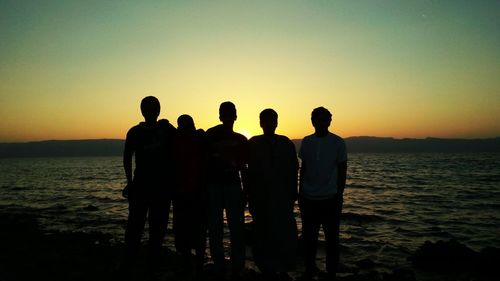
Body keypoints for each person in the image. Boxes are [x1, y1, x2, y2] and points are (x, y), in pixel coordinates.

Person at [121, 96, 176, 270]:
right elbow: (127, 158)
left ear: (158, 111)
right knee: (135, 225)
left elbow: (183, 139)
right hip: (141, 186)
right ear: (142, 111)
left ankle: (153, 262)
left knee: (157, 226)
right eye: (148, 109)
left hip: (162, 187)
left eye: (154, 109)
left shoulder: (167, 129)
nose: (151, 112)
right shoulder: (135, 132)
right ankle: (130, 261)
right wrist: (130, 182)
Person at [246, 109, 299, 281]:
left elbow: (294, 169)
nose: (269, 123)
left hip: (282, 197)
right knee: (261, 232)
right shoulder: (253, 143)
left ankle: (283, 267)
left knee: (283, 232)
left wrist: (293, 192)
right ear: (260, 123)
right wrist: (247, 193)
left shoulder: (286, 143)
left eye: (272, 120)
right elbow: (245, 171)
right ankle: (264, 268)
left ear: (277, 122)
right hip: (259, 197)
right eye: (265, 120)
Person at [298, 106, 347, 280]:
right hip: (308, 198)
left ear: (329, 121)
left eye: (324, 119)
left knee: (331, 238)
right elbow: (304, 167)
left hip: (330, 199)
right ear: (312, 121)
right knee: (309, 238)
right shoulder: (307, 141)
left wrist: (338, 195)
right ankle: (309, 269)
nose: (321, 122)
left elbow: (342, 170)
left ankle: (331, 271)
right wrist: (300, 191)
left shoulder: (338, 142)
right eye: (317, 119)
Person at [205, 101, 248, 280]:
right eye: (225, 113)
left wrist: (245, 190)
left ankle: (238, 265)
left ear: (235, 116)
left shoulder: (241, 139)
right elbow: (203, 162)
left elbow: (244, 166)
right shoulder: (210, 135)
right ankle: (219, 265)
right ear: (220, 116)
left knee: (237, 228)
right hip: (214, 186)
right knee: (215, 228)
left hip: (233, 186)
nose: (228, 116)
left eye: (231, 113)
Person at [172, 114, 207, 276]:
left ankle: (195, 265)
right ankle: (192, 264)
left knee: (192, 231)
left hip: (194, 193)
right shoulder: (183, 138)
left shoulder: (197, 137)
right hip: (185, 193)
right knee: (188, 232)